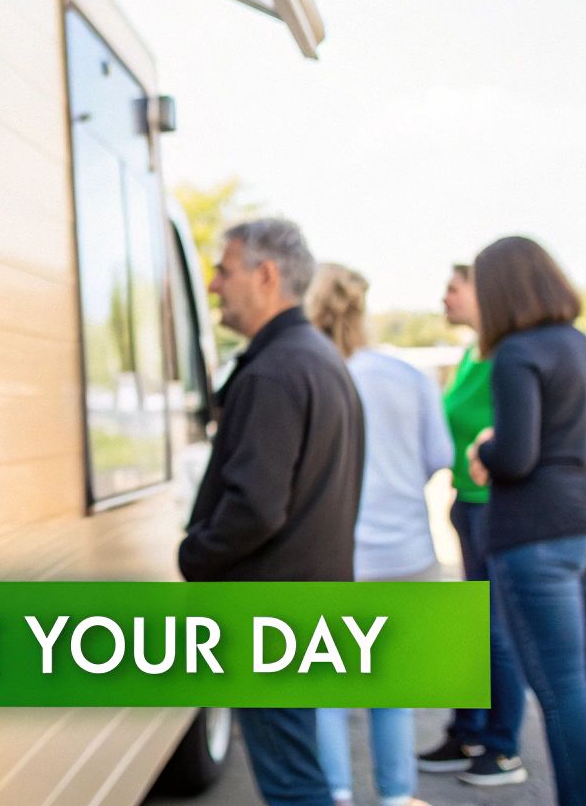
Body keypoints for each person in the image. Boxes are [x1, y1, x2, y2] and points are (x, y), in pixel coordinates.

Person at [180, 219, 364, 806]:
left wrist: (195, 552)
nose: (212, 286)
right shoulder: (316, 358)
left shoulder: (276, 370)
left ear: (265, 276)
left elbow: (256, 507)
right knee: (298, 769)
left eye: (223, 270)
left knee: (293, 784)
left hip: (273, 612)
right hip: (305, 603)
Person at [468, 236, 586, 806]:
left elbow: (516, 457)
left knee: (564, 690)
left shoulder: (517, 353)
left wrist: (484, 449)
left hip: (538, 534)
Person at [306, 264, 445, 806]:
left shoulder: (310, 374)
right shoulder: (407, 376)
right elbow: (439, 458)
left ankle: (334, 794)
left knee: (324, 693)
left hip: (332, 556)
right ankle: (395, 796)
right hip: (406, 550)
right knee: (393, 690)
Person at [417, 264, 529, 785]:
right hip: (466, 502)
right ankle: (466, 732)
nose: (444, 298)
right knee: (470, 624)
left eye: (453, 289)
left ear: (484, 295)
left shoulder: (509, 356)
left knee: (496, 629)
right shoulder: (469, 356)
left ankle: (502, 747)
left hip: (494, 506)